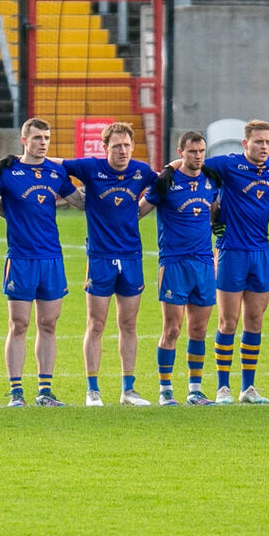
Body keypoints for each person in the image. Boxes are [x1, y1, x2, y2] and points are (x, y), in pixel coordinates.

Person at [0, 118, 83, 406]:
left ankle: (45, 391)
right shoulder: (8, 171)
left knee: (49, 324)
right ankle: (16, 392)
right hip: (21, 259)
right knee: (19, 324)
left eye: (47, 138)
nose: (43, 143)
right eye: (37, 137)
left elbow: (79, 201)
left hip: (51, 258)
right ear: (23, 140)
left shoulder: (56, 172)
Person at [61, 122, 155, 407]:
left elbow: (164, 184)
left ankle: (128, 390)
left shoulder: (141, 171)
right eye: (117, 146)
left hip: (131, 257)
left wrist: (138, 211)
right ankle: (93, 390)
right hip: (100, 257)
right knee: (96, 323)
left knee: (129, 323)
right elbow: (58, 166)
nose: (123, 150)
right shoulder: (91, 168)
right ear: (105, 148)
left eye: (127, 145)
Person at [198, 120, 269, 404]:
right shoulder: (227, 164)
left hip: (260, 253)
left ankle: (248, 388)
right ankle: (223, 387)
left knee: (255, 322)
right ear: (245, 143)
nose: (264, 147)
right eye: (259, 142)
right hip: (231, 251)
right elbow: (193, 163)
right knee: (227, 322)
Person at [139, 131, 221, 407]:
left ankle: (195, 390)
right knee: (172, 329)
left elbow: (214, 211)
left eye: (201, 151)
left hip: (204, 263)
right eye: (192, 151)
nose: (198, 156)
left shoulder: (211, 180)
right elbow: (139, 211)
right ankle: (165, 389)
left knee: (199, 329)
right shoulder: (167, 182)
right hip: (174, 263)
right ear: (181, 152)